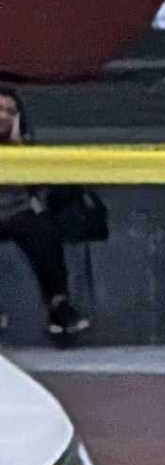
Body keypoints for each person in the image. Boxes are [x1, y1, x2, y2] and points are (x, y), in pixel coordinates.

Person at [0, 87, 92, 348]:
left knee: (44, 232)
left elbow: (39, 186)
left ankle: (59, 306)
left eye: (10, 111)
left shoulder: (26, 147)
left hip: (17, 214)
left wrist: (20, 149)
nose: (3, 116)